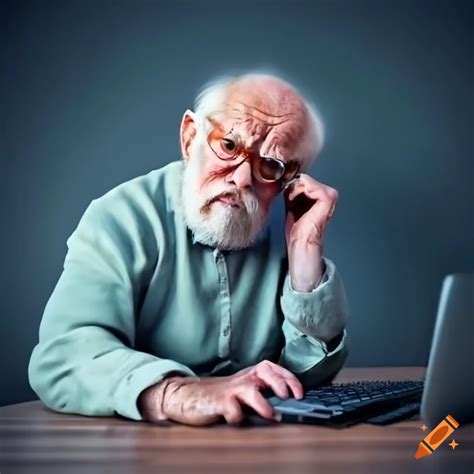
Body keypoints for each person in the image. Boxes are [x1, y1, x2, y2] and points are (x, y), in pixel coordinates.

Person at [28, 72, 350, 426]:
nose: (242, 179)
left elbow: (307, 379)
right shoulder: (120, 217)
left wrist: (305, 257)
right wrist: (175, 392)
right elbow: (64, 357)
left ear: (290, 177)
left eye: (269, 166)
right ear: (189, 137)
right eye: (228, 145)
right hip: (140, 450)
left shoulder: (287, 227)